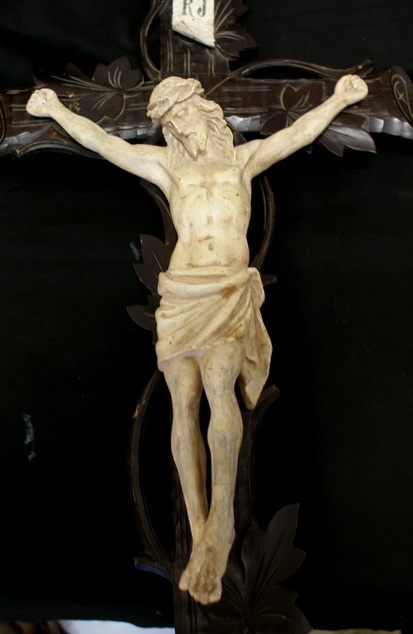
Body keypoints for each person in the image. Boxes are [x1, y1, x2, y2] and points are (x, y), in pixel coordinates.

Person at [27, 74, 368, 605]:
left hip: (227, 289)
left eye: (182, 115)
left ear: (202, 108)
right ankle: (199, 527)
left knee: (218, 386)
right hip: (182, 294)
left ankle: (222, 522)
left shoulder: (243, 161)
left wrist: (340, 99)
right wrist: (56, 111)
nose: (180, 128)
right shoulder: (168, 166)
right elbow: (105, 143)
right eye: (169, 123)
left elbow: (297, 133)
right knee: (183, 402)